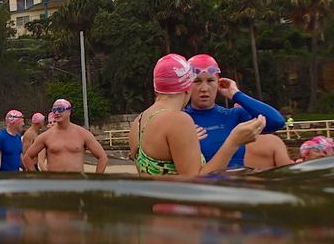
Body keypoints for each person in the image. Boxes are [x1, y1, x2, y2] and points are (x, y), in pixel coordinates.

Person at [129, 54, 265, 176]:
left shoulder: (138, 123)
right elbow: (196, 183)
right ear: (188, 87)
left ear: (156, 88)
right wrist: (233, 142)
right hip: (180, 197)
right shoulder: (178, 120)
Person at [185, 53, 284, 169]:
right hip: (203, 180)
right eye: (197, 81)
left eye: (210, 81)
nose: (204, 89)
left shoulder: (234, 116)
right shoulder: (182, 120)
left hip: (236, 180)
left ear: (218, 83)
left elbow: (277, 122)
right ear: (187, 84)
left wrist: (236, 94)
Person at [23, 99, 108, 173]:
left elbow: (102, 157)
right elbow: (27, 157)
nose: (56, 113)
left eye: (60, 109)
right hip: (55, 184)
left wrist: (96, 181)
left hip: (76, 183)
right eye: (54, 110)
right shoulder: (46, 136)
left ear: (69, 111)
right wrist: (36, 178)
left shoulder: (83, 134)